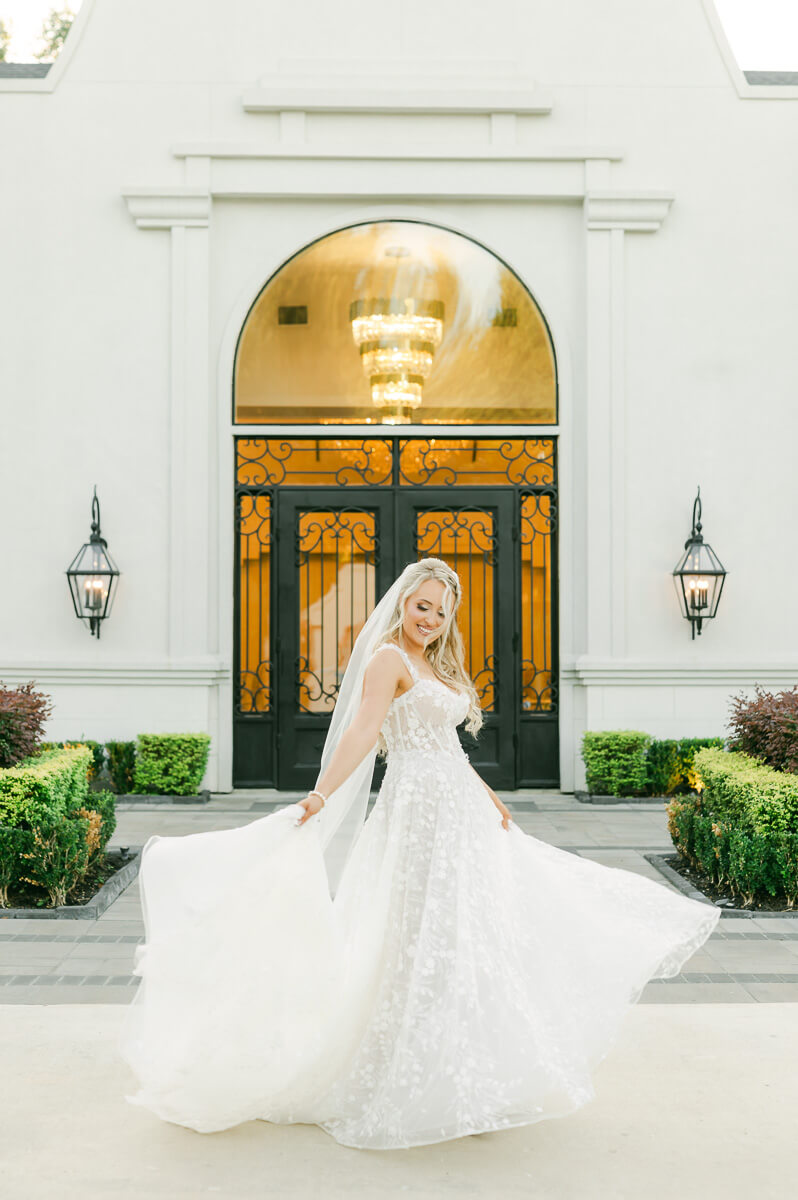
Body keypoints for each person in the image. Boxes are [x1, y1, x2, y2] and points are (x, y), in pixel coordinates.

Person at [119, 557, 720, 1150]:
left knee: (469, 930)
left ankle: (467, 1075)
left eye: (441, 610)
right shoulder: (388, 659)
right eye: (421, 605)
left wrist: (486, 793)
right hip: (415, 814)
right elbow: (362, 731)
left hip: (459, 809)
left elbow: (446, 745)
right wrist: (321, 794)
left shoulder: (436, 663)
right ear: (403, 603)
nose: (429, 617)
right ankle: (407, 1073)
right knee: (417, 935)